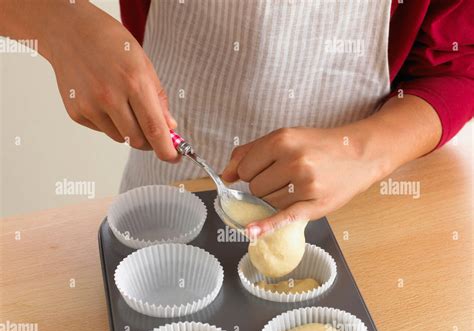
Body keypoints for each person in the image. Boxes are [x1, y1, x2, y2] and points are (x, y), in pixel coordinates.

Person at [1, 0, 472, 237]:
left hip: (360, 216)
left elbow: (456, 64)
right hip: (171, 198)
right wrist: (60, 24)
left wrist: (364, 152)